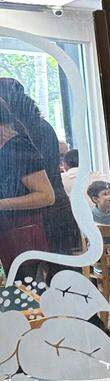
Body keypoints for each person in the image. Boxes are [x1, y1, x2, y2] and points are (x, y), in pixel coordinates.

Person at [0, 77, 79, 255]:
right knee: (60, 277)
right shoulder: (41, 125)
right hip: (55, 212)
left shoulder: (17, 137)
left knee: (38, 278)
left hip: (37, 219)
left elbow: (37, 188)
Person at [0, 97, 53, 275]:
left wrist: (2, 203)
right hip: (12, 240)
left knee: (26, 295)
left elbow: (46, 195)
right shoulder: (7, 148)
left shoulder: (17, 147)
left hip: (21, 240)